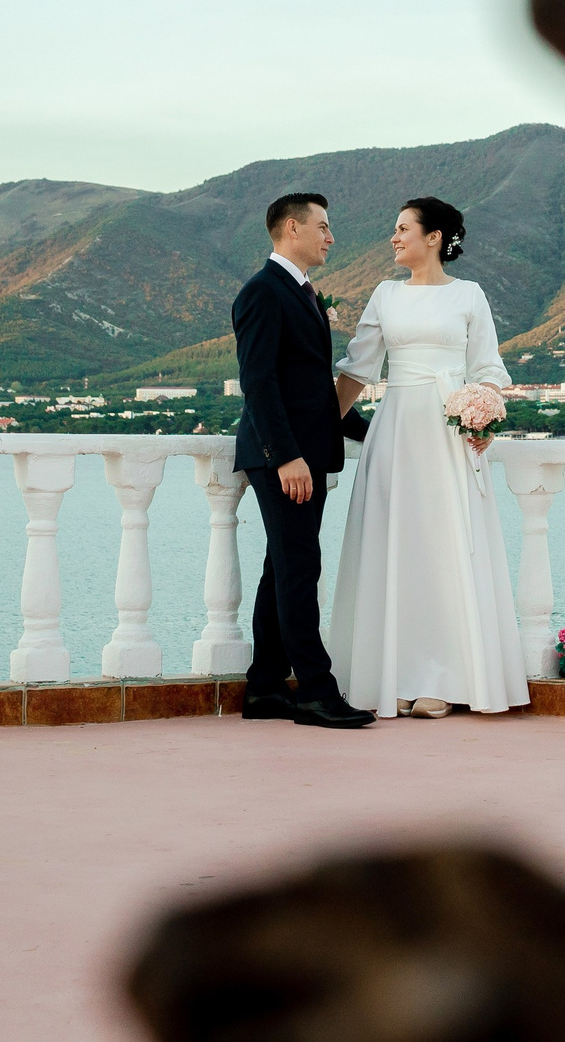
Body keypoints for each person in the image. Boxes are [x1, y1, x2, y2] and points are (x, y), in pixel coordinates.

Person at [327, 196, 530, 719]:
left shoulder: (469, 295)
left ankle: (444, 678)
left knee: (445, 549)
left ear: (434, 237)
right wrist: (317, 428)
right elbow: (357, 369)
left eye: (403, 229)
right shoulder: (385, 294)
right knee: (394, 547)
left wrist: (484, 418)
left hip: (448, 434)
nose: (393, 238)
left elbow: (487, 369)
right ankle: (393, 674)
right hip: (396, 431)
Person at [231, 192, 374, 730]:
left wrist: (375, 431)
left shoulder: (303, 293)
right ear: (293, 228)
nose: (331, 237)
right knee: (299, 570)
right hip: (284, 460)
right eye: (323, 226)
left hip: (306, 454)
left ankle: (265, 688)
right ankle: (316, 692)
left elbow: (312, 389)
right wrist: (285, 456)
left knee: (283, 568)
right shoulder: (262, 291)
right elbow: (259, 381)